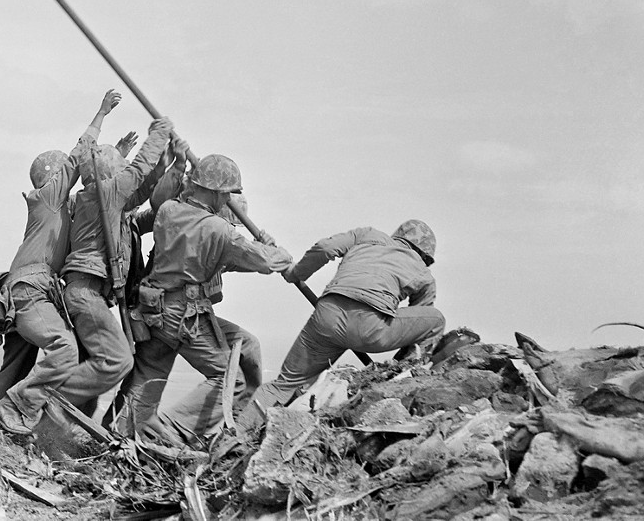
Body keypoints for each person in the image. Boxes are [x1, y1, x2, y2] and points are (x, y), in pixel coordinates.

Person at [115, 150, 293, 440]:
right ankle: (168, 433)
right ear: (216, 192)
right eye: (226, 195)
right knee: (229, 378)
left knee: (148, 377)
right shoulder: (218, 229)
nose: (227, 201)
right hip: (182, 315)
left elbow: (225, 260)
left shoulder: (169, 211)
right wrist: (277, 252)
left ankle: (122, 434)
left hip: (152, 309)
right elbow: (263, 260)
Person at [0, 90, 123, 434]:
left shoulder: (57, 209)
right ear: (54, 176)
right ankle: (18, 410)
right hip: (30, 291)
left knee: (15, 367)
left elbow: (97, 193)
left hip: (24, 292)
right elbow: (79, 157)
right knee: (64, 348)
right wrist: (101, 114)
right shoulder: (46, 198)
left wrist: (117, 157)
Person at [242, 219, 445, 426]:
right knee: (436, 319)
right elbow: (418, 321)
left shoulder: (367, 235)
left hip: (326, 318)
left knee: (283, 384)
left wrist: (296, 274)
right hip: (371, 329)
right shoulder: (423, 274)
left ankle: (237, 433)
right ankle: (405, 377)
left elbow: (325, 248)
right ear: (425, 255)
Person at [58, 113, 174, 412]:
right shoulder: (105, 193)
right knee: (117, 360)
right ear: (112, 173)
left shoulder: (101, 198)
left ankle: (63, 428)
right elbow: (138, 171)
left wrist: (166, 164)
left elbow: (143, 189)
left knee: (92, 371)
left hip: (89, 292)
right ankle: (47, 402)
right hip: (86, 292)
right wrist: (159, 133)